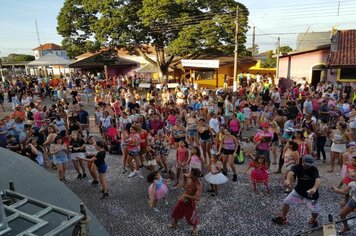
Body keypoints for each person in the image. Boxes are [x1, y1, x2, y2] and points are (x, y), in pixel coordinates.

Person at [272, 155, 321, 227]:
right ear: (302, 162)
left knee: (315, 210)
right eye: (307, 164)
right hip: (299, 190)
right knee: (286, 202)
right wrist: (288, 180)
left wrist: (314, 188)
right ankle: (283, 218)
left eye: (310, 165)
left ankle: (313, 220)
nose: (308, 166)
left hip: (311, 193)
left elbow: (318, 179)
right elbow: (291, 173)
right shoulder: (297, 167)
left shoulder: (314, 169)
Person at [170, 168, 203, 236]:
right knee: (177, 210)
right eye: (190, 173)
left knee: (191, 216)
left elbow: (197, 198)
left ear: (196, 176)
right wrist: (184, 179)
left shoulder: (198, 185)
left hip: (190, 202)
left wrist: (186, 195)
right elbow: (184, 175)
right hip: (183, 199)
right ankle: (175, 223)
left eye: (192, 174)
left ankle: (195, 228)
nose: (190, 175)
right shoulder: (189, 176)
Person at [332, 170, 356, 234]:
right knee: (342, 214)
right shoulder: (352, 183)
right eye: (351, 176)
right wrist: (336, 189)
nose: (351, 178)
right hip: (354, 200)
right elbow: (345, 191)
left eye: (353, 176)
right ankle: (346, 227)